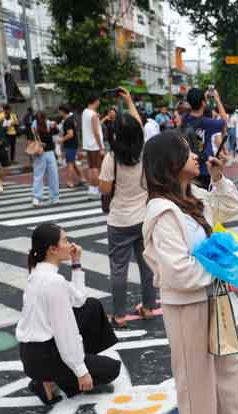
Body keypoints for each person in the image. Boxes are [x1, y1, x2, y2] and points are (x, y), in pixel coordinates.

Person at [141, 130, 238, 414]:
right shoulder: (163, 211)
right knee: (195, 373)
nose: (196, 156)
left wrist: (218, 178)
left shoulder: (191, 195)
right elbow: (178, 272)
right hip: (187, 303)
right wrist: (219, 265)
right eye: (187, 153)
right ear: (170, 163)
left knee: (228, 362)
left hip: (214, 294)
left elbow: (230, 207)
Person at [16, 223, 121, 405]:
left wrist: (76, 263)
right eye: (65, 240)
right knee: (112, 369)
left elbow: (79, 300)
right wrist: (82, 371)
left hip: (30, 353)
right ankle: (54, 380)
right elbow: (65, 331)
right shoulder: (54, 282)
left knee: (92, 306)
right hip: (45, 356)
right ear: (53, 249)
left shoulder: (37, 273)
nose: (70, 244)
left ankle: (53, 377)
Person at [90, 88, 157, 328]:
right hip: (144, 218)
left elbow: (105, 190)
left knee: (118, 269)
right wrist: (129, 101)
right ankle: (149, 307)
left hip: (119, 221)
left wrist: (97, 179)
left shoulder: (112, 159)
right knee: (147, 263)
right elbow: (136, 125)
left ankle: (119, 315)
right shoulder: (145, 151)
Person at [181, 87, 228, 190]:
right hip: (204, 168)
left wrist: (202, 99)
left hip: (187, 166)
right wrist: (217, 99)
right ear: (203, 103)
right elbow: (225, 121)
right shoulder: (208, 123)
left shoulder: (184, 119)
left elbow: (194, 107)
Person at [29, 111, 61, 207]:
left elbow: (56, 132)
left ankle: (53, 197)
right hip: (41, 152)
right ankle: (38, 197)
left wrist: (53, 127)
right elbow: (31, 137)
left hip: (49, 152)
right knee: (43, 175)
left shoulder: (48, 123)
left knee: (52, 175)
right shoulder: (35, 124)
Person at [82, 94, 104, 199]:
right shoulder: (93, 115)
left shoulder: (85, 112)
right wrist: (101, 147)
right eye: (98, 101)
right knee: (96, 168)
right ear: (95, 101)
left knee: (91, 168)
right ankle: (95, 189)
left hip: (87, 144)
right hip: (94, 145)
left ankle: (92, 189)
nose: (99, 103)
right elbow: (96, 132)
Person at [58, 105, 82, 188]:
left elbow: (70, 134)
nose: (59, 113)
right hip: (73, 144)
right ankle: (83, 178)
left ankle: (69, 182)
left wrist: (62, 139)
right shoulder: (71, 119)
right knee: (73, 163)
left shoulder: (67, 121)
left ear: (63, 111)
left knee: (70, 164)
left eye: (59, 111)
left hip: (70, 145)